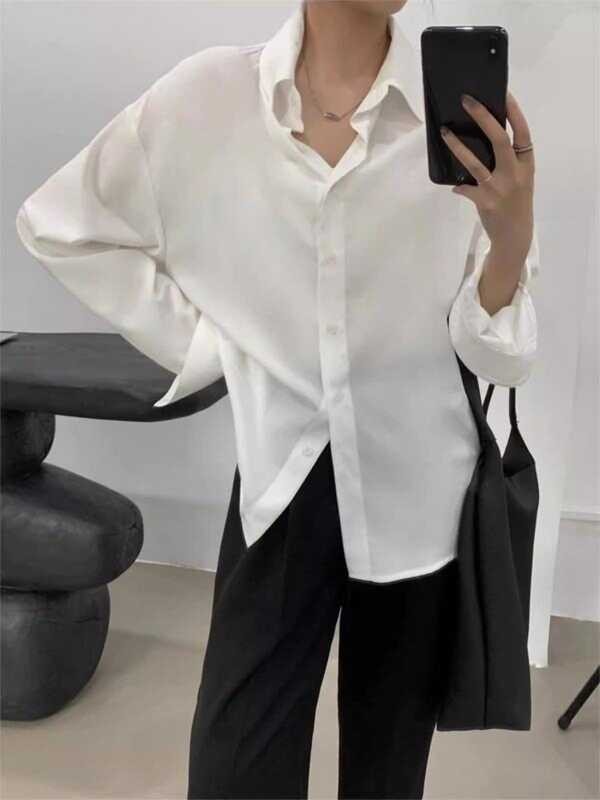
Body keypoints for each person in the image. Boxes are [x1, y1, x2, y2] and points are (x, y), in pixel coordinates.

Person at [15, 0, 539, 797]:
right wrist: (210, 349)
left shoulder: (456, 113)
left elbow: (499, 353)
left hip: (420, 497)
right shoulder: (209, 98)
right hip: (281, 479)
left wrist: (511, 236)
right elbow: (61, 224)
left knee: (387, 773)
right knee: (236, 763)